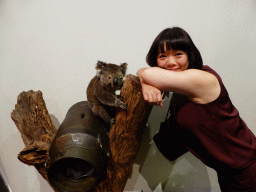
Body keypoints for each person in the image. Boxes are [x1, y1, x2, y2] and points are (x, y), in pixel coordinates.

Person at [137, 27, 256, 191]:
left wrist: (145, 81)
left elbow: (147, 73)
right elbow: (145, 72)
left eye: (178, 54)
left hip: (247, 169)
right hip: (228, 170)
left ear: (189, 55)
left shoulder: (200, 78)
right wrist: (145, 83)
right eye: (162, 56)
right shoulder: (180, 85)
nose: (171, 62)